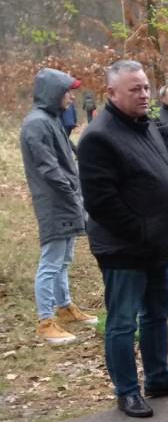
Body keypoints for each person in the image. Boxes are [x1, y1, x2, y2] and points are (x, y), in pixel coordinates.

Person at [77, 59, 168, 418]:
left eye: (146, 87)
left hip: (159, 245)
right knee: (122, 322)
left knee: (158, 313)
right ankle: (127, 391)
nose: (145, 94)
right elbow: (102, 203)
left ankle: (159, 377)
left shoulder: (147, 127)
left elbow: (160, 177)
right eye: (135, 89)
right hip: (125, 249)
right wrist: (144, 232)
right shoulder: (99, 137)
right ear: (112, 93)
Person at [20, 68, 98, 345]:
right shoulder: (36, 124)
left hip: (67, 199)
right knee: (51, 262)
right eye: (67, 91)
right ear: (53, 92)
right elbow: (48, 167)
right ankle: (45, 321)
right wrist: (69, 192)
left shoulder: (51, 119)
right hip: (54, 202)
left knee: (64, 259)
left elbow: (66, 158)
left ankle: (64, 307)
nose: (71, 96)